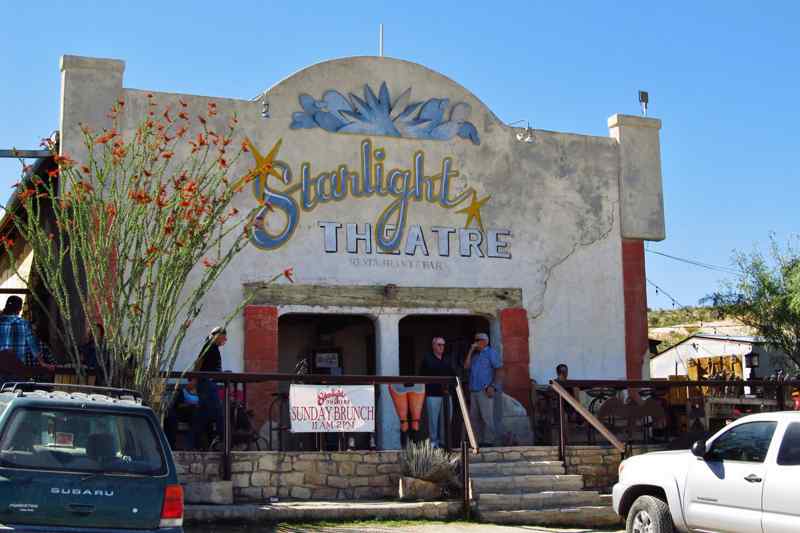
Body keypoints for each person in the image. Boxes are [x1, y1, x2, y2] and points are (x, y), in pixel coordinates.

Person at [464, 332, 503, 447]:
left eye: (478, 340)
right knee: (474, 419)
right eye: (475, 340)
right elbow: (466, 366)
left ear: (485, 341)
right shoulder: (475, 356)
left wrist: (493, 386)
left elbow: (499, 370)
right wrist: (471, 351)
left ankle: (488, 442)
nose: (475, 342)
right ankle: (477, 441)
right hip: (474, 391)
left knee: (487, 418)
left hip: (485, 390)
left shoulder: (491, 353)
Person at [191, 326, 227, 449]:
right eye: (223, 337)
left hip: (209, 383)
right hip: (207, 383)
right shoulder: (209, 346)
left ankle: (193, 443)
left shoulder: (213, 347)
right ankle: (222, 440)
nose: (225, 340)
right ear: (217, 336)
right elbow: (198, 362)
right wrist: (194, 378)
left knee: (203, 415)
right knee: (218, 411)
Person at [419, 336, 457, 448]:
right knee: (433, 422)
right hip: (432, 395)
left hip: (446, 395)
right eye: (439, 345)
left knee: (446, 421)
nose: (442, 347)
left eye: (443, 345)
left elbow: (453, 375)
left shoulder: (447, 359)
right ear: (433, 346)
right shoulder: (427, 358)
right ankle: (433, 445)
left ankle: (444, 444)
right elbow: (421, 376)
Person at [0, 296, 54, 373]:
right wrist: (42, 363)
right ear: (19, 309)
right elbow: (33, 345)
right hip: (17, 369)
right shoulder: (24, 323)